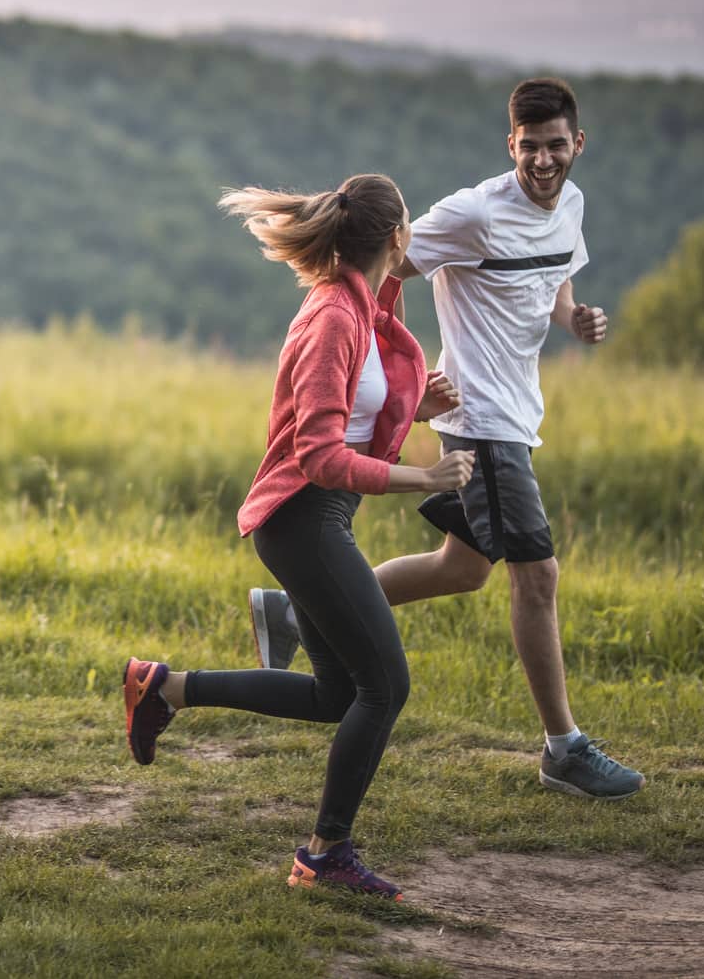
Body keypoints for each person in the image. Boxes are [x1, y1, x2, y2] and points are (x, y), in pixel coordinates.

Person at [248, 78, 646, 801]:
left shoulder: (570, 208)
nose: (543, 160)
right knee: (539, 576)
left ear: (576, 144)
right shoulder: (472, 214)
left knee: (461, 568)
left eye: (556, 146)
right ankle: (564, 747)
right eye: (529, 148)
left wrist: (573, 320)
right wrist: (376, 355)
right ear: (510, 145)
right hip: (481, 419)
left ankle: (297, 615)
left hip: (518, 414)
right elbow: (387, 257)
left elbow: (551, 281)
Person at [123, 174, 473, 900]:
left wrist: (413, 412)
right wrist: (425, 479)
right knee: (385, 687)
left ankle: (165, 689)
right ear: (397, 238)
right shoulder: (332, 318)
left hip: (323, 519)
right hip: (303, 521)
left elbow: (347, 421)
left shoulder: (363, 306)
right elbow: (316, 456)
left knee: (333, 694)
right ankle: (324, 854)